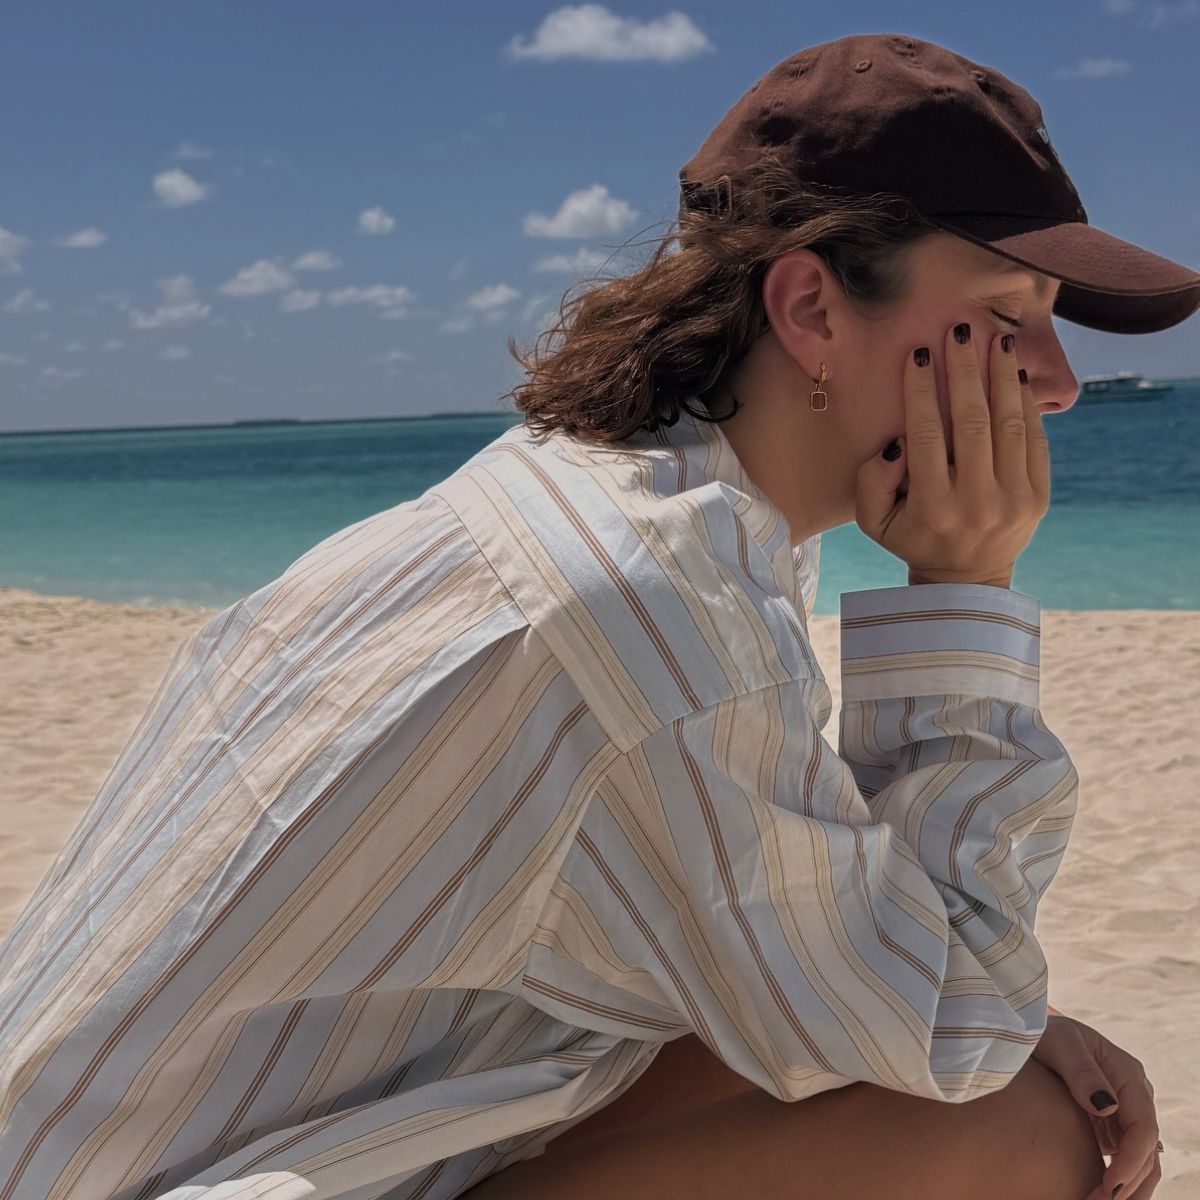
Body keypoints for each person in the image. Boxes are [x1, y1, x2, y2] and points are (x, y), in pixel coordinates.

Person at [0, 30, 1189, 1200]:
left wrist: (984, 1012)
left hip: (139, 1152)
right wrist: (967, 588)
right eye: (1008, 310)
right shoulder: (656, 597)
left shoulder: (615, 505)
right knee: (1021, 1135)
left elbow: (779, 964)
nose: (1059, 377)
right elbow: (953, 1036)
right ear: (813, 308)